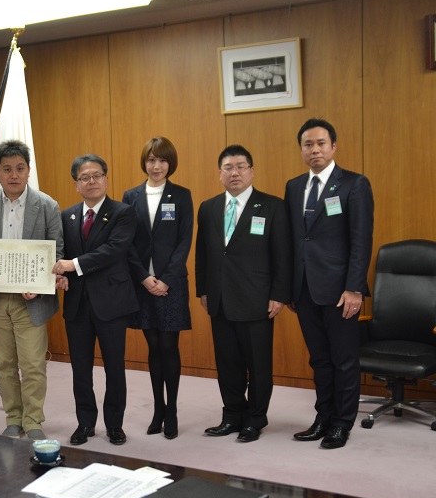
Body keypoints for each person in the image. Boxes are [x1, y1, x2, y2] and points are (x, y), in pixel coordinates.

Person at [285, 118, 374, 449]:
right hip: (304, 289)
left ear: (333, 147)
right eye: (308, 144)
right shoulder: (294, 187)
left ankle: (342, 423)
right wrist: (289, 287)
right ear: (301, 150)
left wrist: (355, 288)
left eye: (321, 143)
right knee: (319, 360)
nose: (315, 150)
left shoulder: (354, 184)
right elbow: (294, 240)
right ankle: (323, 417)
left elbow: (361, 241)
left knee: (344, 360)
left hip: (341, 291)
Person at [195, 145, 291, 443]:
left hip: (257, 299)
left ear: (251, 171)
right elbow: (202, 254)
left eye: (240, 166)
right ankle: (232, 415)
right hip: (220, 299)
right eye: (228, 167)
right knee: (227, 364)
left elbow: (282, 255)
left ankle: (255, 418)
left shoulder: (273, 206)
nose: (234, 172)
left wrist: (279, 294)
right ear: (220, 173)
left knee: (258, 365)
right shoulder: (208, 207)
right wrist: (203, 290)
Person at [0, 140, 63, 440]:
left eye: (20, 168)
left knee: (33, 364)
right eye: (7, 169)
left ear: (28, 170)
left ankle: (33, 420)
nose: (14, 175)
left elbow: (57, 253)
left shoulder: (47, 206)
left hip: (31, 301)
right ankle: (13, 417)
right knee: (5, 364)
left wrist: (41, 284)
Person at [52, 154, 138, 446]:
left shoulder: (123, 212)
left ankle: (115, 425)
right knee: (80, 368)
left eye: (97, 175)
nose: (92, 181)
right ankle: (85, 423)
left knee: (114, 367)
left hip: (112, 302)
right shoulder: (67, 215)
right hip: (77, 304)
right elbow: (60, 252)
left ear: (106, 179)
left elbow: (114, 250)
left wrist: (73, 265)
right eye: (84, 178)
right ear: (76, 184)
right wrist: (61, 274)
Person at [122, 137, 193, 440]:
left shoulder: (182, 195)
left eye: (162, 160)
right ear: (145, 162)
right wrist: (144, 277)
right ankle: (158, 410)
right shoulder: (131, 196)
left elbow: (184, 241)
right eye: (151, 159)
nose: (157, 166)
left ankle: (172, 410)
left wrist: (165, 279)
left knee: (169, 347)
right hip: (143, 284)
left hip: (170, 284)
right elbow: (126, 242)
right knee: (153, 348)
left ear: (170, 163)